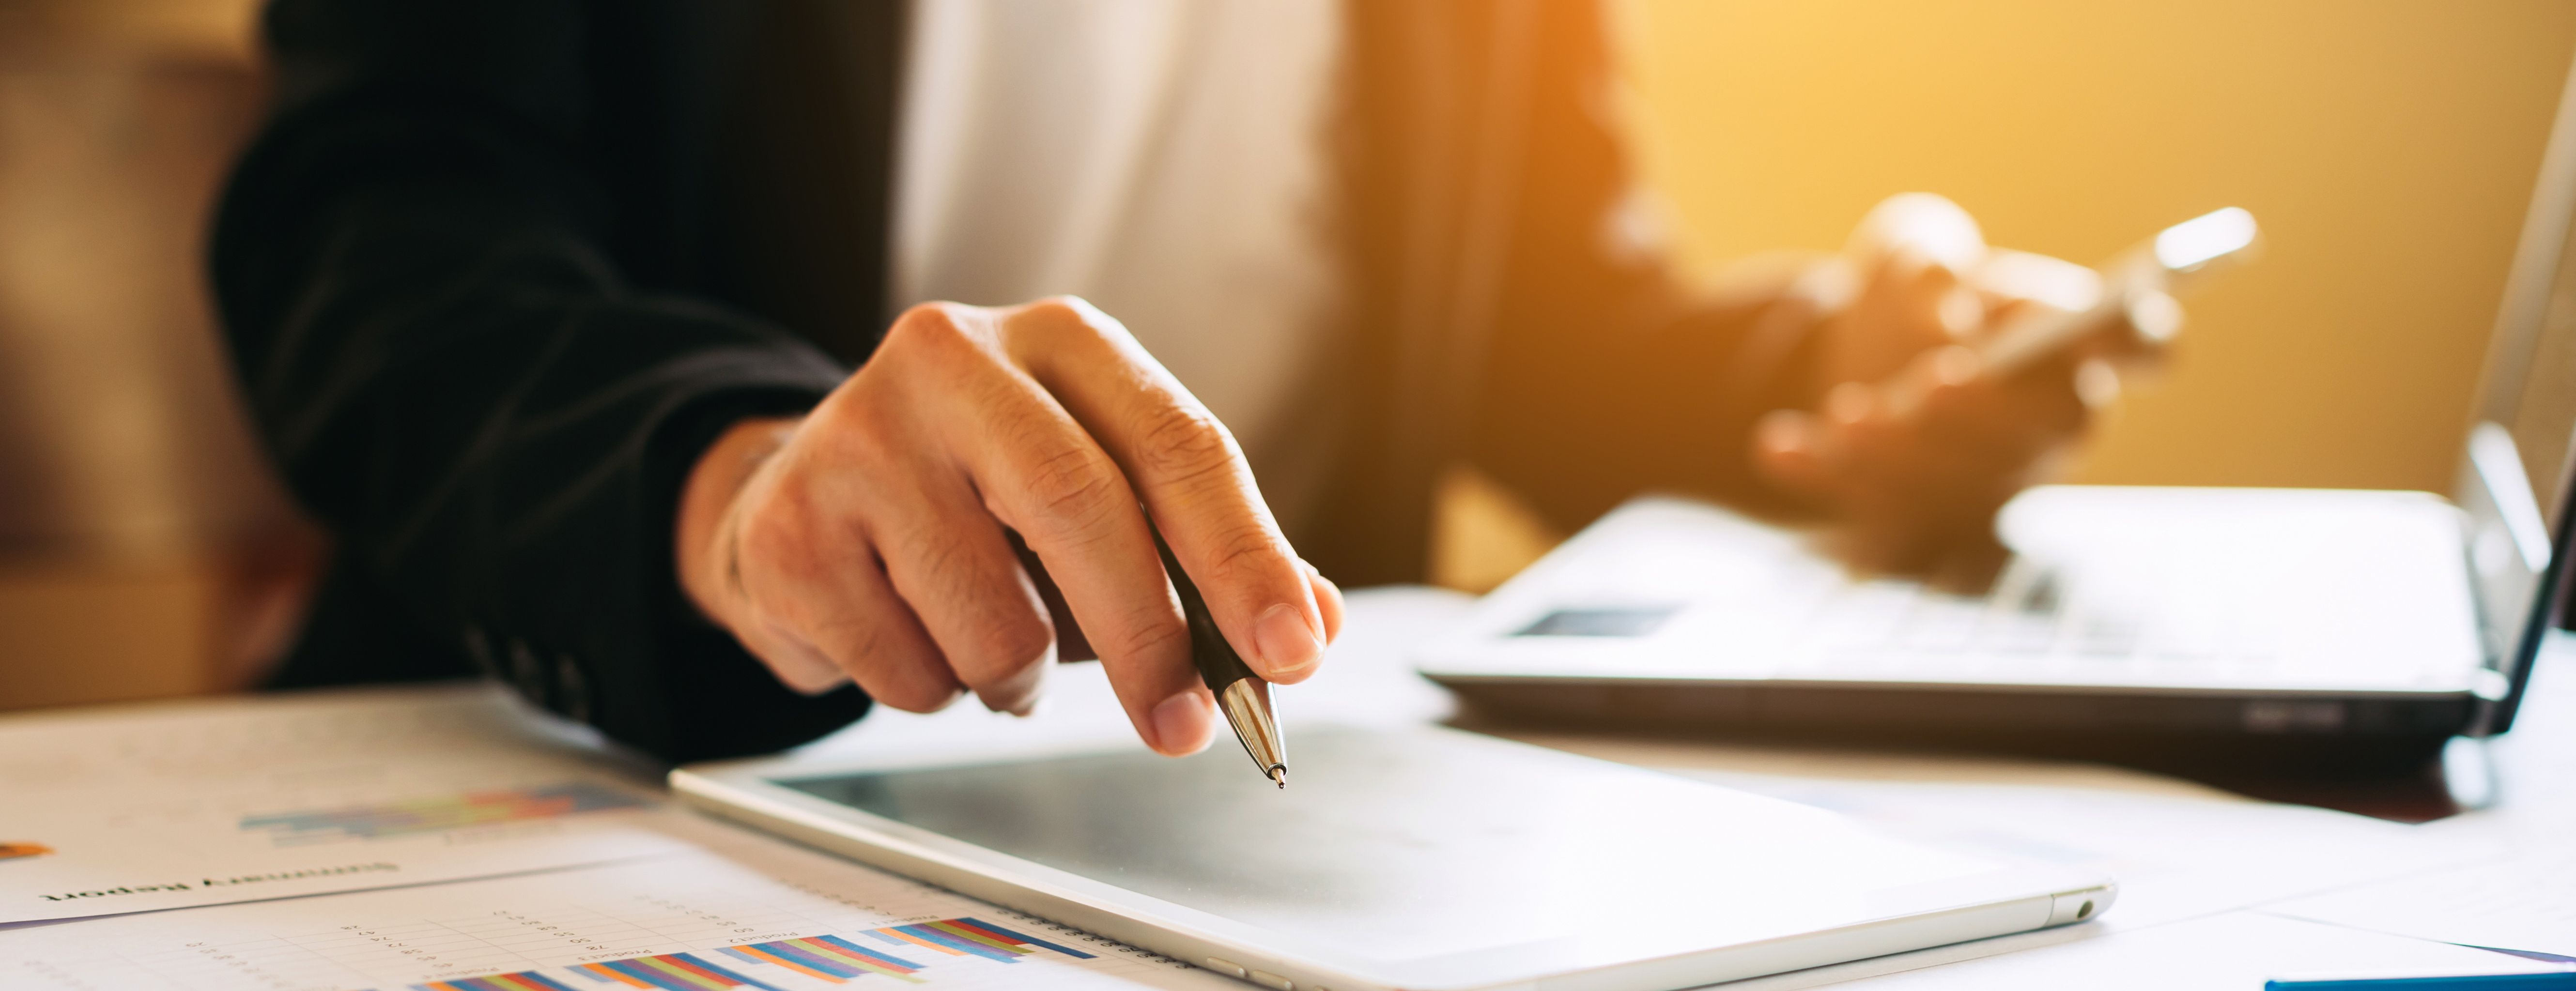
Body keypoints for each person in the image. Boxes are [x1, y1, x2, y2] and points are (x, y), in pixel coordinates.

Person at [211, 0, 2151, 764]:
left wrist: (1843, 370)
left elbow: (1543, 317)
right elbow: (376, 221)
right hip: (621, 765)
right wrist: (731, 479)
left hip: (1266, 808)